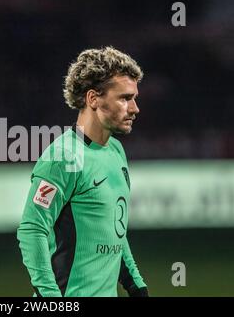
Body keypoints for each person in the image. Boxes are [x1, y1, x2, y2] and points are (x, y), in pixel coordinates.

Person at [16, 46, 148, 297]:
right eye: (124, 98)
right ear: (93, 99)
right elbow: (32, 230)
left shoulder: (116, 151)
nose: (134, 108)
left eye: (134, 98)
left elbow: (113, 230)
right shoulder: (63, 157)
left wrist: (136, 285)